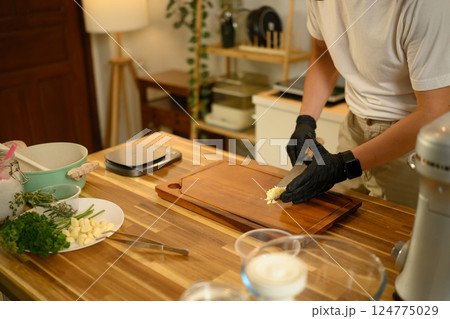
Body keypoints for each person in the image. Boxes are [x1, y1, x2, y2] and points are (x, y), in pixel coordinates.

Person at [280, 0, 450, 208]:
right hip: (353, 128)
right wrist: (306, 121)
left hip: (410, 143)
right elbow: (323, 53)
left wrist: (342, 166)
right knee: (343, 229)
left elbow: (434, 112)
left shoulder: (425, 6)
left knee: (396, 234)